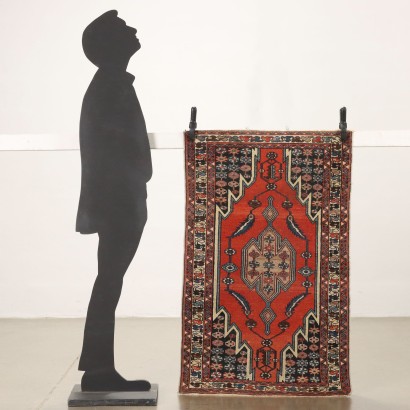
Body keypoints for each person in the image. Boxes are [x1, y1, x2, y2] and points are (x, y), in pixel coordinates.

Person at [76, 10, 152, 392]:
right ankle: (98, 369)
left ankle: (98, 367)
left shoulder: (111, 84)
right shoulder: (110, 86)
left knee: (109, 282)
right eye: (123, 29)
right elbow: (111, 152)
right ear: (110, 45)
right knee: (108, 282)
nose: (133, 30)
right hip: (118, 204)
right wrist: (134, 186)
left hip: (119, 201)